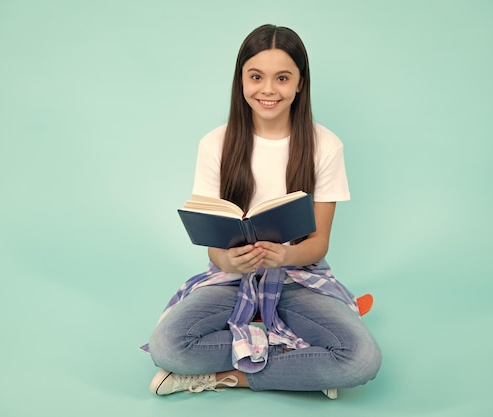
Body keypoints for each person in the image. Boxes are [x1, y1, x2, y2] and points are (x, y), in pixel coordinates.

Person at [143, 24, 381, 399]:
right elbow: (213, 248)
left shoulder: (325, 145)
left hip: (296, 277)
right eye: (256, 77)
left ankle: (231, 375)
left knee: (361, 358)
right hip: (233, 279)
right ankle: (299, 358)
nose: (268, 90)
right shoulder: (215, 144)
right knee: (168, 347)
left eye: (282, 78)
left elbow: (318, 243)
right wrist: (230, 261)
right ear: (241, 80)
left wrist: (285, 254)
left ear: (300, 83)